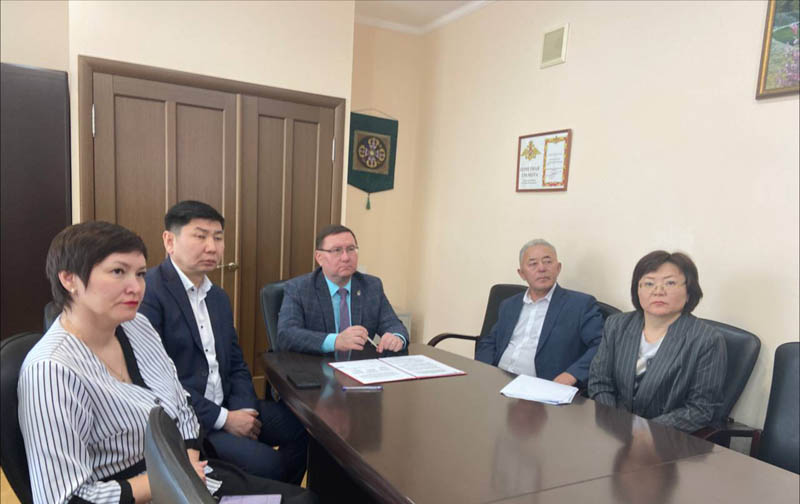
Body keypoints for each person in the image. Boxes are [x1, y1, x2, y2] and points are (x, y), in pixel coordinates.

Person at [18, 221, 316, 504]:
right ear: (69, 279)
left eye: (140, 274)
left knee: (304, 499)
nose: (136, 287)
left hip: (189, 476)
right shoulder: (52, 370)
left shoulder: (137, 326)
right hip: (139, 492)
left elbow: (180, 403)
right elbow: (64, 497)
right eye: (118, 271)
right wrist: (172, 477)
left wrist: (186, 464)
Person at [139, 201, 307, 483]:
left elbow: (236, 361)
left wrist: (244, 409)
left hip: (229, 403)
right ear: (169, 241)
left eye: (218, 238)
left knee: (303, 428)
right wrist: (225, 419)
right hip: (190, 421)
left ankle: (284, 494)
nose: (212, 247)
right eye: (200, 236)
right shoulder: (149, 293)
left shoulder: (217, 297)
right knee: (269, 464)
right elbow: (156, 381)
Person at [588, 250, 727, 432]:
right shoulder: (617, 325)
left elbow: (700, 408)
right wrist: (614, 421)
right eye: (649, 283)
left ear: (689, 292)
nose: (658, 291)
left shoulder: (706, 340)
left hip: (666, 437)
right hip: (614, 430)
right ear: (637, 290)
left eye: (670, 283)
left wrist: (643, 430)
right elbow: (600, 381)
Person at [475, 239, 604, 386]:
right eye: (533, 264)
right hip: (498, 381)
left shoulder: (580, 305)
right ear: (522, 274)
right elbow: (490, 341)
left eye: (547, 261)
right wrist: (484, 370)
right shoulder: (509, 304)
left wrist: (573, 374)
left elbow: (601, 345)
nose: (542, 268)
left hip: (542, 387)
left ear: (558, 268)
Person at [276, 224, 409, 355]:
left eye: (351, 249)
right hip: (314, 365)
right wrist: (336, 341)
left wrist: (396, 338)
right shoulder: (299, 288)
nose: (346, 258)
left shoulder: (371, 286)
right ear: (319, 257)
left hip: (359, 366)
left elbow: (394, 324)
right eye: (337, 250)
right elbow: (286, 334)